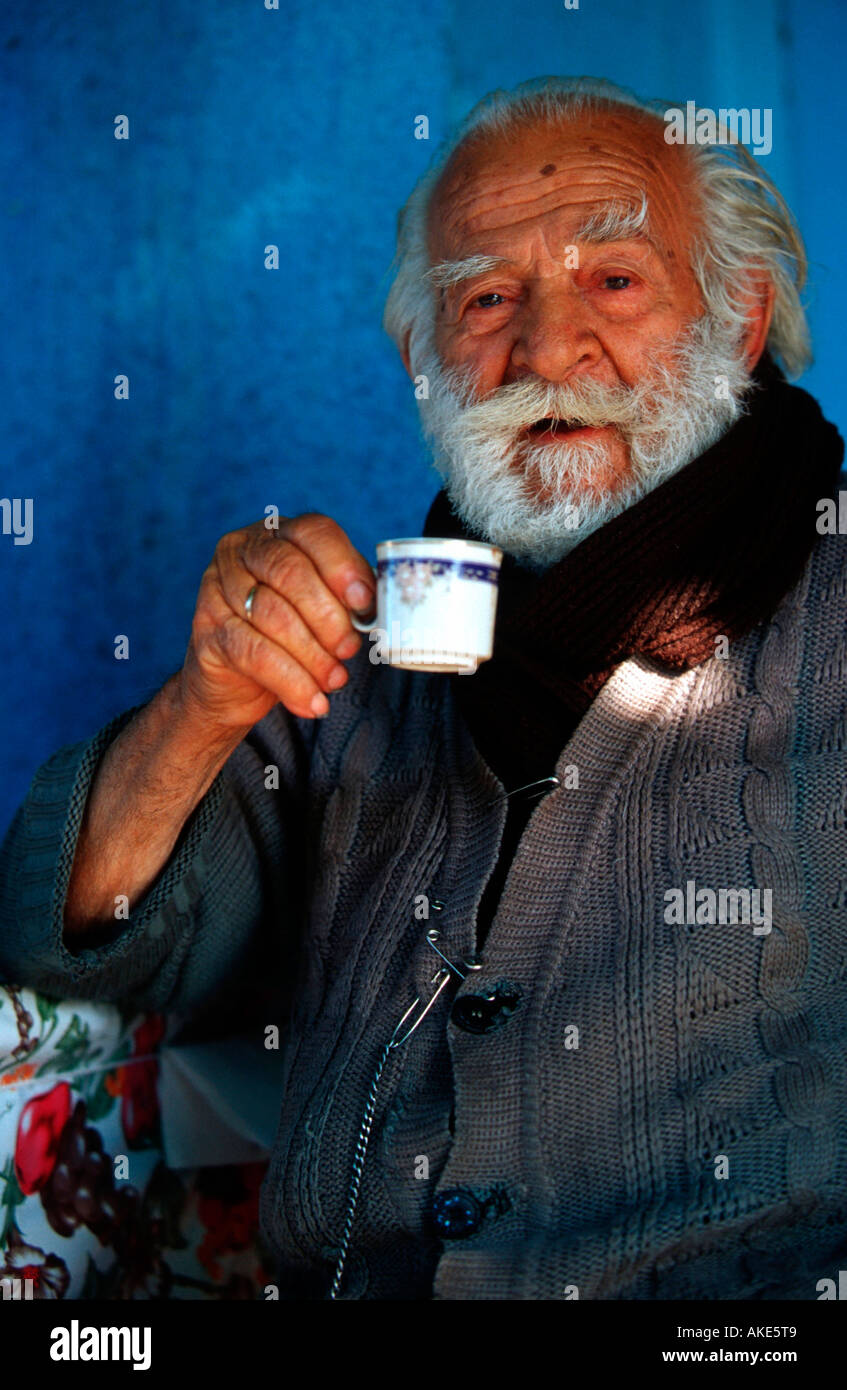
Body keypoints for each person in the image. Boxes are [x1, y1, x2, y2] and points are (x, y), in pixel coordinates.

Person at [1, 76, 845, 1301]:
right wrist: (203, 705)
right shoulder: (361, 653)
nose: (547, 348)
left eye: (614, 279)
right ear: (418, 353)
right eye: (486, 298)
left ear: (742, 314)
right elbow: (75, 954)